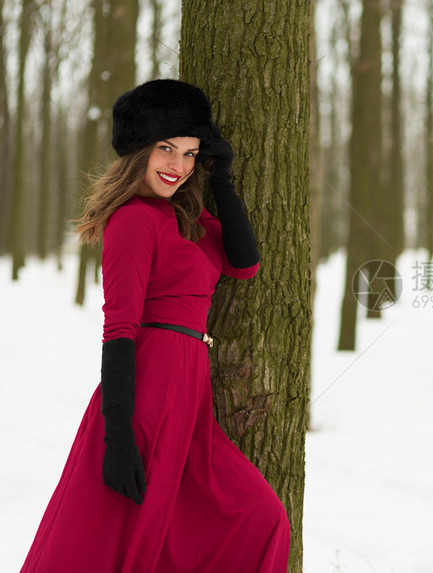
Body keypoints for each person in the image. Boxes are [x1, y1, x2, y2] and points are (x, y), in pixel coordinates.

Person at [20, 79, 290, 572]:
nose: (179, 166)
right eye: (167, 149)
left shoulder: (185, 218)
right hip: (147, 393)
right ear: (138, 150)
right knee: (123, 537)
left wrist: (222, 179)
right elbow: (118, 328)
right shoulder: (133, 220)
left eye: (190, 154)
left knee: (260, 514)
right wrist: (118, 437)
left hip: (190, 395)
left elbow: (245, 264)